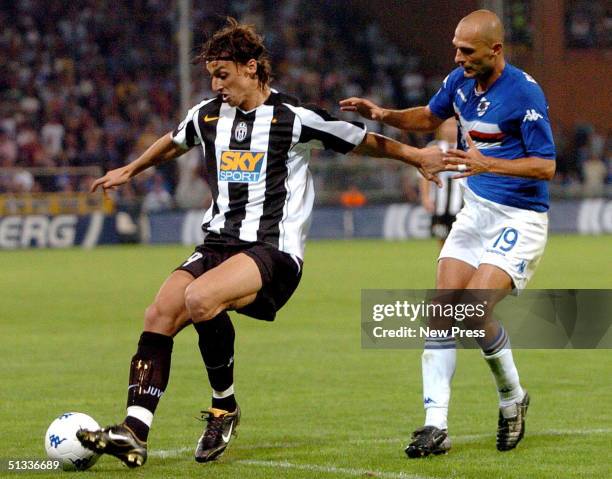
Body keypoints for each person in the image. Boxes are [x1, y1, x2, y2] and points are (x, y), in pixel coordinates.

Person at [76, 17, 446, 468]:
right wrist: (130, 170)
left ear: (251, 68)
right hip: (218, 242)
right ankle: (134, 432)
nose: (216, 84)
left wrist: (417, 157)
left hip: (273, 250)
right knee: (160, 311)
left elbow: (362, 140)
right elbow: (172, 142)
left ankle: (223, 408)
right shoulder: (207, 115)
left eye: (223, 74)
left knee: (199, 298)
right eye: (211, 75)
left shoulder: (293, 118)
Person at [341, 9, 555, 457]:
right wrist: (383, 113)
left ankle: (513, 398)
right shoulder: (459, 81)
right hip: (476, 213)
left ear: (495, 50)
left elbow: (546, 165)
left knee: (475, 312)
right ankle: (434, 424)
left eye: (467, 50)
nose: (457, 57)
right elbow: (427, 117)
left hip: (519, 219)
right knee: (442, 310)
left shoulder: (524, 93)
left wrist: (487, 163)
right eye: (456, 47)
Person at [419, 118, 463, 248]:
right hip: (439, 205)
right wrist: (426, 198)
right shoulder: (433, 147)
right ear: (441, 129)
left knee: (463, 240)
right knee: (442, 240)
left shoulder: (465, 146)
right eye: (447, 126)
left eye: (453, 126)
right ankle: (444, 266)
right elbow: (424, 176)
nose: (450, 130)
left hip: (462, 205)